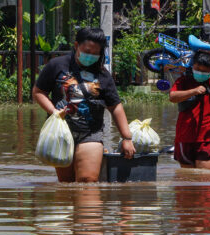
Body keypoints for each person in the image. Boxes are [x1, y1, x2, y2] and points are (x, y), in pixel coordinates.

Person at [33, 28, 135, 182]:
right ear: (76, 45)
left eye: (96, 53)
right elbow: (38, 92)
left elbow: (115, 106)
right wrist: (53, 111)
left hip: (90, 133)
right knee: (66, 183)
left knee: (87, 180)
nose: (91, 56)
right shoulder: (57, 65)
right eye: (88, 51)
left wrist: (127, 138)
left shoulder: (103, 75)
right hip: (61, 132)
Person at [169, 49, 210, 169]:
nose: (200, 72)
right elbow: (172, 97)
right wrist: (194, 91)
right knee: (186, 182)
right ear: (192, 65)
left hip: (209, 138)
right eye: (198, 68)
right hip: (184, 137)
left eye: (204, 70)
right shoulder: (183, 81)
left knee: (208, 180)